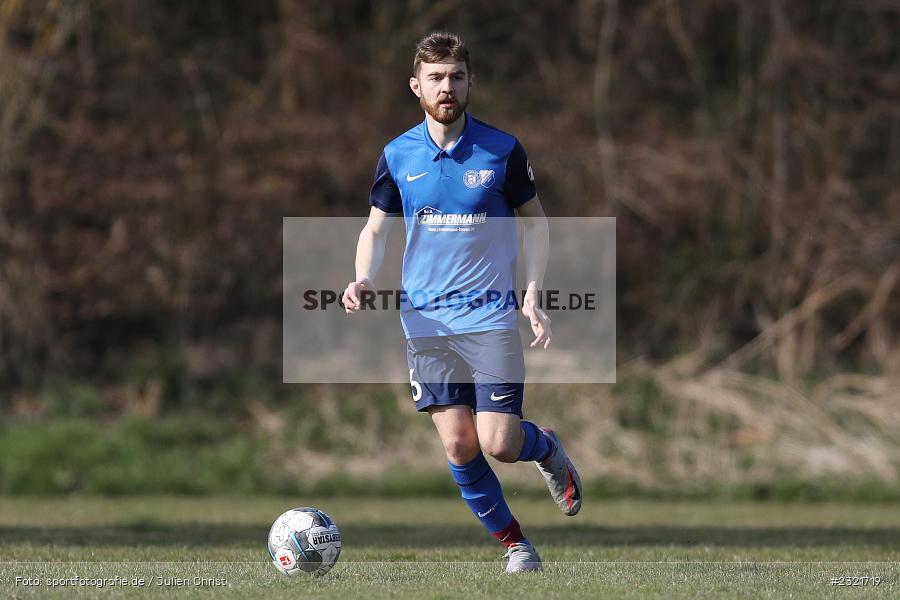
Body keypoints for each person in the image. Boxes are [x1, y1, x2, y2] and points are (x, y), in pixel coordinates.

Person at [341, 31, 581, 573]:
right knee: (459, 444)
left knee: (499, 442)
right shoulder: (397, 154)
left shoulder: (502, 150)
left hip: (490, 316)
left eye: (456, 76)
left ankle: (545, 448)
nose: (446, 87)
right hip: (425, 322)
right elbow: (375, 229)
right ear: (415, 86)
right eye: (435, 78)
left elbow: (536, 224)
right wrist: (362, 278)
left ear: (471, 82)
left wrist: (533, 292)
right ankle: (517, 546)